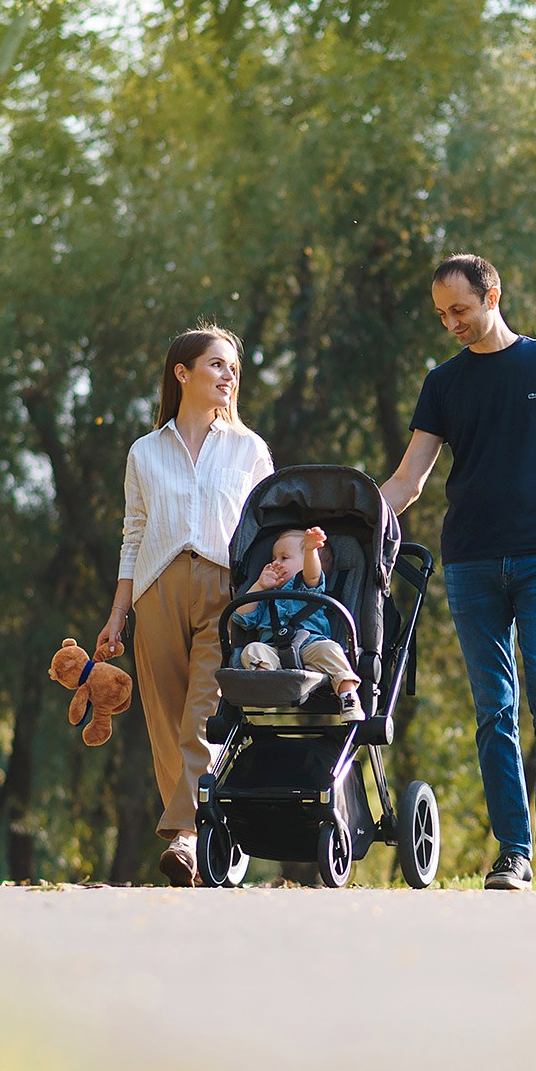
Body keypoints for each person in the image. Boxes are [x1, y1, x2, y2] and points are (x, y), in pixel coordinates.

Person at [379, 254, 536, 891]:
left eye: (460, 309)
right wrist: (353, 515)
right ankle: (515, 852)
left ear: (492, 295)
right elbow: (409, 479)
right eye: (442, 314)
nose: (450, 322)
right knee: (493, 710)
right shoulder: (443, 384)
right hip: (472, 561)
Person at [96, 325, 274, 886]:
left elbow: (267, 529)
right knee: (168, 724)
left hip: (227, 595)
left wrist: (265, 590)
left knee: (203, 713)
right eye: (218, 365)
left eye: (233, 369)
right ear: (183, 373)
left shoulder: (249, 450)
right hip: (155, 591)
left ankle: (185, 833)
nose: (229, 376)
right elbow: (133, 533)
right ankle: (195, 839)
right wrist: (117, 614)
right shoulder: (144, 452)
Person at [231, 526, 364, 721]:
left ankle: (348, 694)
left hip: (311, 645)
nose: (275, 563)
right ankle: (267, 683)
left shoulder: (309, 587)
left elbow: (312, 574)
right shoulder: (268, 594)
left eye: (284, 558)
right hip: (273, 650)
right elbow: (241, 617)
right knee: (251, 650)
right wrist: (259, 586)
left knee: (332, 650)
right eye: (273, 558)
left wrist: (310, 550)